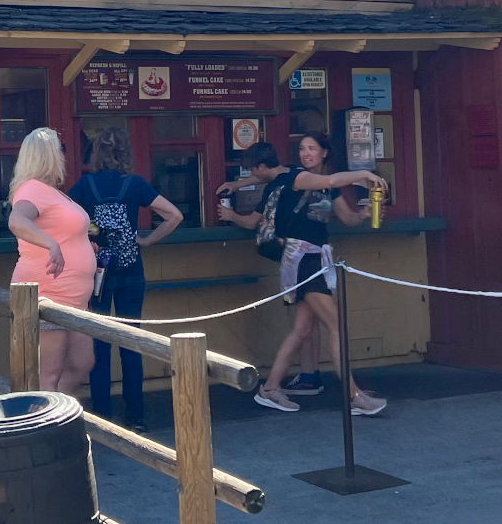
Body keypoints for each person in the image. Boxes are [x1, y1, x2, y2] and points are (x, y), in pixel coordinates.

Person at [218, 140, 389, 415]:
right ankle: (354, 395)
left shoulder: (301, 179)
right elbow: (328, 177)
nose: (305, 153)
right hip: (302, 260)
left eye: (311, 148)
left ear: (324, 152)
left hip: (314, 258)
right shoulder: (297, 177)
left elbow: (348, 218)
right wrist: (363, 174)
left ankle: (271, 388)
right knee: (336, 325)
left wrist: (365, 213)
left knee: (302, 330)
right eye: (301, 149)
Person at [69, 127, 183, 432]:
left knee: (100, 343)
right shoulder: (136, 185)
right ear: (126, 154)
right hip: (132, 271)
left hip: (99, 273)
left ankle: (103, 416)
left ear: (96, 154)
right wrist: (146, 240)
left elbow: (65, 220)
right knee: (132, 342)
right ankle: (136, 417)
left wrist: (86, 239)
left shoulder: (85, 185)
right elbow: (174, 215)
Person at [7, 127, 96, 394]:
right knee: (49, 373)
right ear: (49, 155)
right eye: (61, 149)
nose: (65, 156)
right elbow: (17, 220)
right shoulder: (33, 189)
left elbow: (64, 229)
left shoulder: (51, 192)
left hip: (75, 299)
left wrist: (83, 245)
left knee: (82, 363)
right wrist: (51, 244)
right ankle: (45, 426)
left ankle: (59, 416)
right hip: (50, 294)